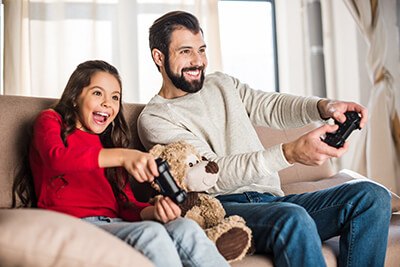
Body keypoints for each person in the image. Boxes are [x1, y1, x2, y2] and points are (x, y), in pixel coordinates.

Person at [137, 11, 392, 267]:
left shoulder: (221, 84)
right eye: (185, 52)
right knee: (292, 217)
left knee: (372, 197)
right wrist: (288, 153)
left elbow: (270, 106)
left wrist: (325, 106)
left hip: (273, 200)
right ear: (159, 57)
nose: (198, 61)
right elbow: (211, 175)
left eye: (201, 50)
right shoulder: (156, 118)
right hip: (225, 208)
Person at [12, 60, 229, 267]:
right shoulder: (51, 120)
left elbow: (125, 206)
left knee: (185, 226)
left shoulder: (109, 144)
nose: (108, 103)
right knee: (151, 234)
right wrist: (123, 156)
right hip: (75, 224)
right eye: (98, 93)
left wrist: (153, 212)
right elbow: (57, 159)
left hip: (115, 222)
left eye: (115, 97)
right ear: (75, 97)